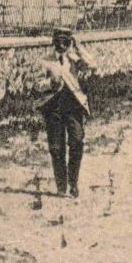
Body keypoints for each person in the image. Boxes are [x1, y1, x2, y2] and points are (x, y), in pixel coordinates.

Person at [39, 27, 91, 198]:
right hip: (53, 107)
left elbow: (93, 65)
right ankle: (61, 186)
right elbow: (36, 85)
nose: (61, 45)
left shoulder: (75, 60)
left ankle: (73, 182)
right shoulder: (45, 61)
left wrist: (78, 48)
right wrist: (49, 84)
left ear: (70, 42)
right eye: (59, 41)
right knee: (56, 148)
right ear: (53, 42)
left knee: (77, 141)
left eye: (65, 41)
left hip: (73, 107)